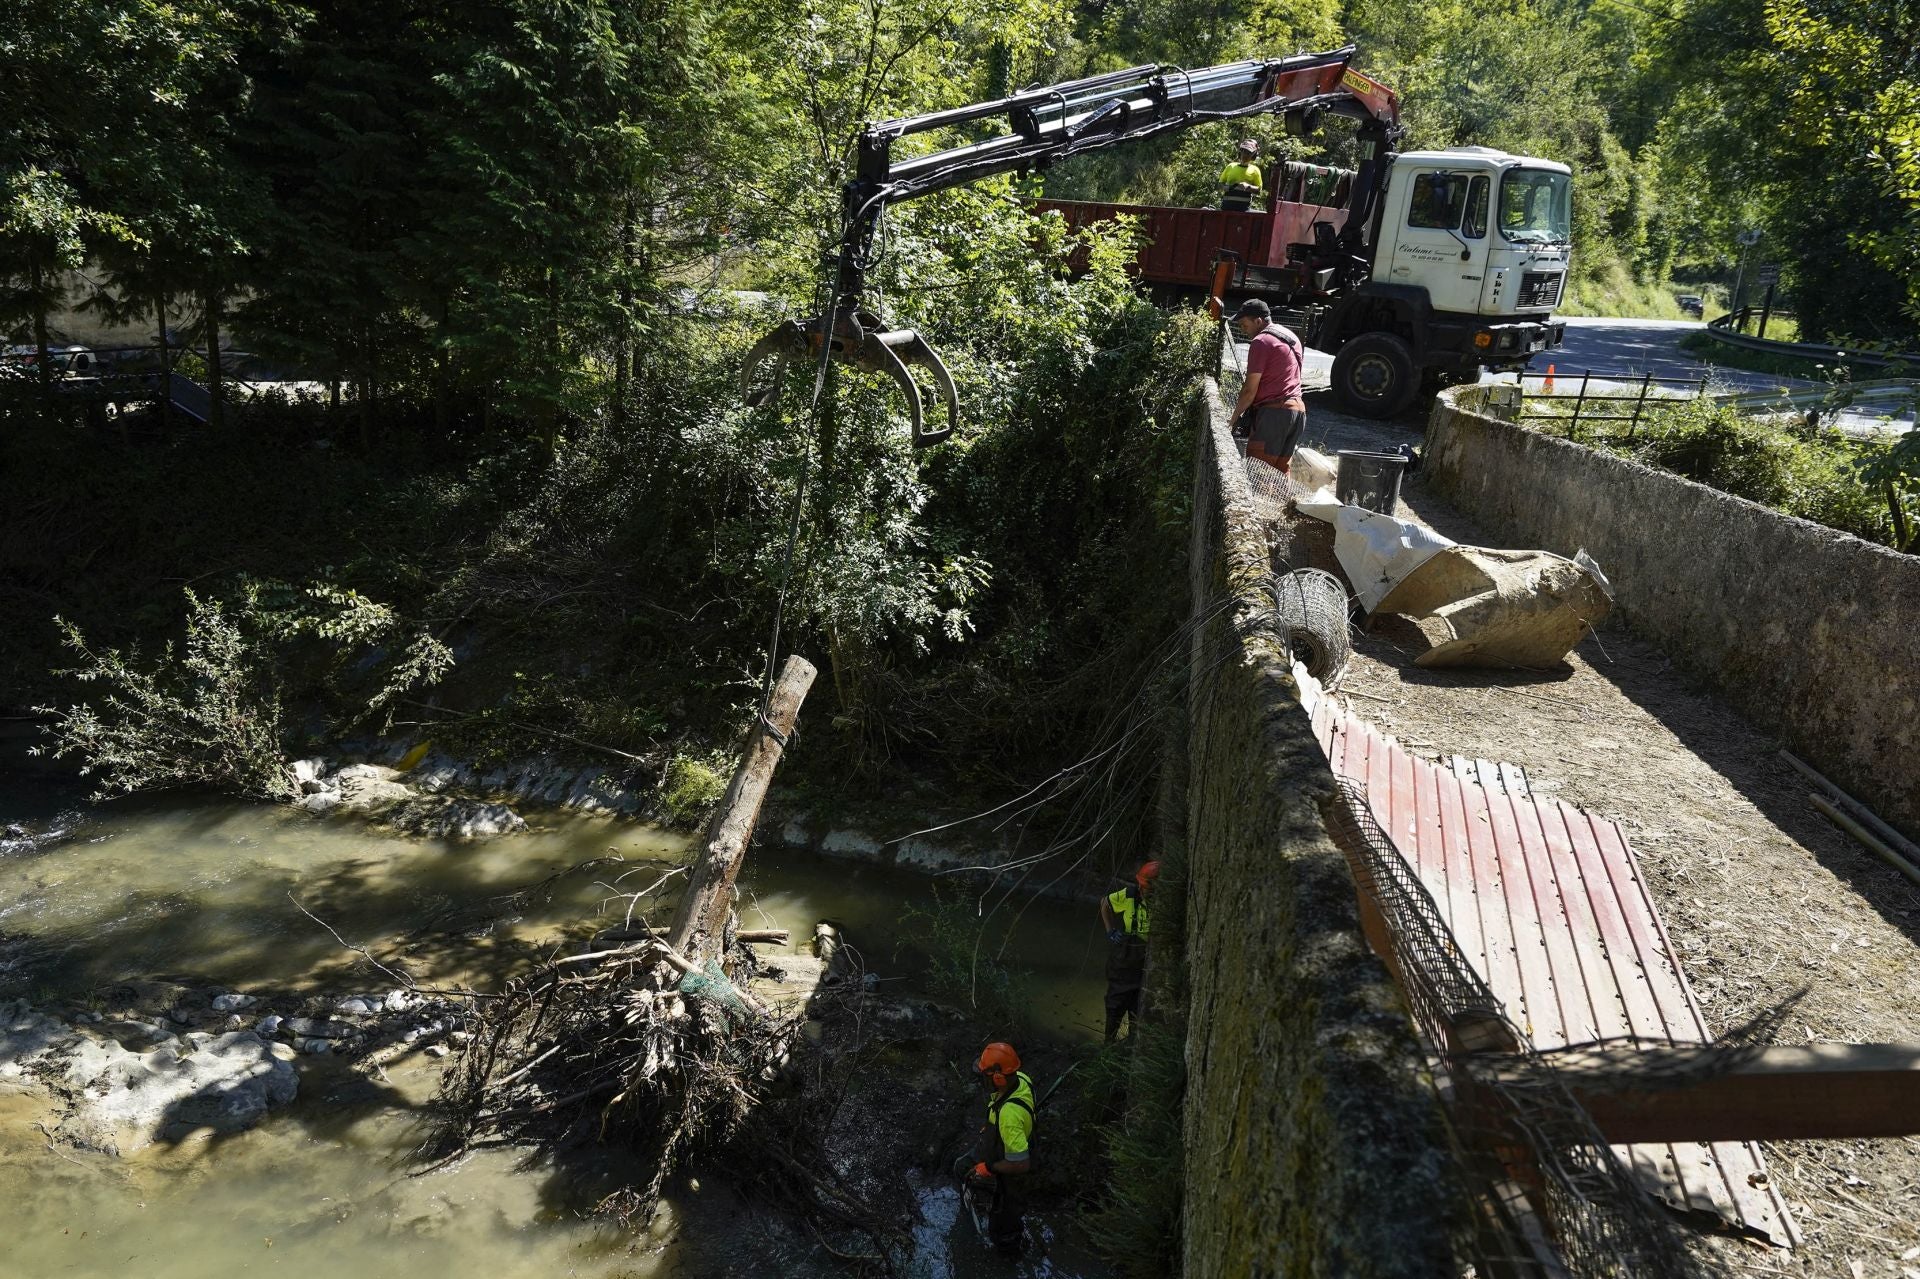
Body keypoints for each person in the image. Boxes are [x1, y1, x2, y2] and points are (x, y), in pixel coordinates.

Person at [965, 1041, 1036, 1256]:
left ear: (998, 1077)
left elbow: (1021, 1164)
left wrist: (989, 1168)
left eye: (985, 1075)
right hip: (1007, 1144)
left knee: (1004, 1226)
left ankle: (1009, 1255)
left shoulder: (1009, 1115)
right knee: (962, 1167)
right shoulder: (1022, 1078)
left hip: (1011, 1170)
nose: (982, 1081)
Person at [1228, 298, 1306, 476]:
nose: (1243, 330)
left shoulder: (1261, 342)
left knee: (1259, 475)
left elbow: (1249, 391)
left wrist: (1231, 420)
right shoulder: (1291, 336)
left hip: (1274, 415)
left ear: (1258, 321)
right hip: (1298, 412)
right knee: (1279, 476)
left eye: (1244, 325)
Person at [1099, 860, 1158, 1043]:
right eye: (1143, 886)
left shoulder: (1162, 906)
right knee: (1115, 1005)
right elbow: (1105, 904)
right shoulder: (1130, 895)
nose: (1144, 891)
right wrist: (1110, 930)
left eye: (1147, 888)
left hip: (1144, 966)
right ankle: (1108, 1044)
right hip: (1123, 963)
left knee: (1138, 1009)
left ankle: (1131, 1046)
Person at [1219, 139, 1264, 212]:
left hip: (1244, 210)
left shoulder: (1255, 170)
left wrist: (1248, 187)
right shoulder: (1231, 166)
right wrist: (1229, 187)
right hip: (1226, 208)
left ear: (1253, 155)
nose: (1245, 155)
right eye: (1243, 151)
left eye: (1248, 153)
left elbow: (1259, 190)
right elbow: (1220, 184)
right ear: (1240, 152)